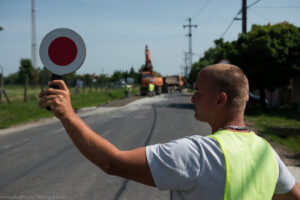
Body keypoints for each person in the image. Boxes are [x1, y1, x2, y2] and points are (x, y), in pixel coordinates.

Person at [39, 64, 300, 200]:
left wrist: (68, 114)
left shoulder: (199, 154)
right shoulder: (268, 153)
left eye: (198, 93)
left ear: (220, 100)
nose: (191, 99)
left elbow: (112, 162)